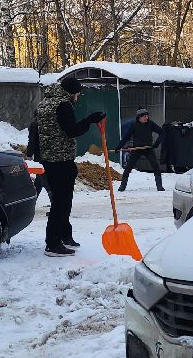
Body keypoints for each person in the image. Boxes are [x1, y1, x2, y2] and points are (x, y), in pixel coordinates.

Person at [34, 76, 104, 257]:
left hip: (48, 159)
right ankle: (53, 244)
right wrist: (89, 120)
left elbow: (36, 129)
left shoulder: (44, 103)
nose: (77, 98)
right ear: (72, 93)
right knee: (61, 202)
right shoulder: (63, 105)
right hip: (60, 159)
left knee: (61, 200)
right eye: (77, 94)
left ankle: (65, 235)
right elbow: (71, 130)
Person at [116, 108, 164, 192]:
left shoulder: (151, 124)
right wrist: (119, 147)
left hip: (148, 148)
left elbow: (162, 132)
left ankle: (159, 186)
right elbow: (126, 137)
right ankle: (122, 186)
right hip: (137, 149)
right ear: (139, 117)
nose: (147, 118)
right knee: (128, 167)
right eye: (145, 116)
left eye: (147, 116)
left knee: (155, 166)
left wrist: (156, 143)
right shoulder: (134, 125)